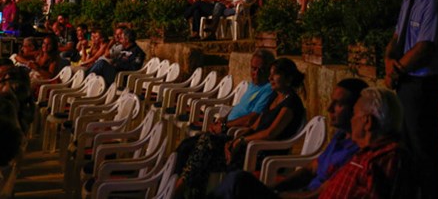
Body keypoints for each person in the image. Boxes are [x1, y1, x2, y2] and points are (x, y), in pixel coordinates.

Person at [211, 78, 369, 198]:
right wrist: (275, 187)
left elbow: (319, 194)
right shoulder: (340, 137)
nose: (329, 109)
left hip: (301, 191)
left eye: (338, 104)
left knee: (238, 181)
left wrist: (280, 195)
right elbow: (311, 169)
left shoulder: (359, 153)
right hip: (297, 191)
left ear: (358, 110)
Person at [175, 57, 305, 199]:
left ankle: (180, 189)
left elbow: (270, 133)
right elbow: (255, 126)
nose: (270, 77)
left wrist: (241, 140)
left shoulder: (291, 104)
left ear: (288, 78)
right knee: (199, 148)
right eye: (270, 74)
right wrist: (234, 140)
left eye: (275, 74)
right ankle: (187, 191)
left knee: (204, 151)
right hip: (247, 145)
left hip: (260, 153)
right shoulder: (275, 97)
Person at [384, 0, 438, 199]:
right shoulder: (408, 0)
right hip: (406, 81)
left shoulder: (433, 1)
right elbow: (397, 38)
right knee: (408, 148)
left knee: (425, 150)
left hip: (422, 84)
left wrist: (396, 70)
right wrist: (389, 61)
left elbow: (425, 46)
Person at [317, 87, 412, 198]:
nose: (351, 120)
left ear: (367, 122)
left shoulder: (385, 159)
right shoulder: (367, 152)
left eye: (354, 114)